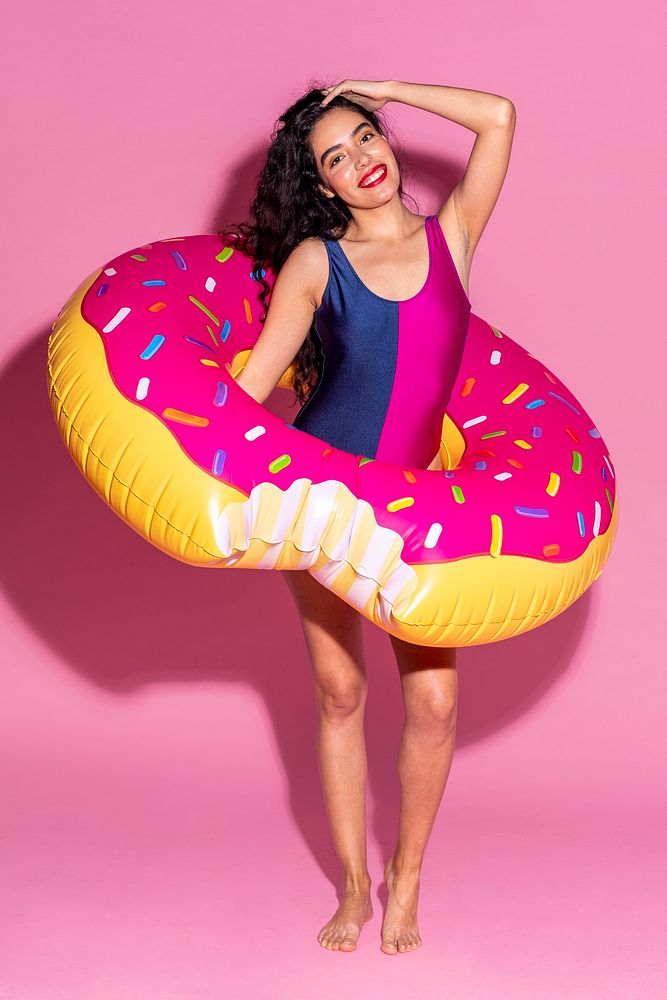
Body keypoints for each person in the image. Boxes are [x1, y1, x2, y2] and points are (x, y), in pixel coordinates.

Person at [229, 78, 516, 955]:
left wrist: (381, 87)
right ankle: (354, 884)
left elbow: (499, 117)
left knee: (432, 704)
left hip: (419, 512)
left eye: (366, 137)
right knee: (340, 689)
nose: (361, 160)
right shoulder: (317, 263)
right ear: (319, 185)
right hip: (321, 501)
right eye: (335, 157)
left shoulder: (452, 236)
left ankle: (409, 880)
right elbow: (252, 389)